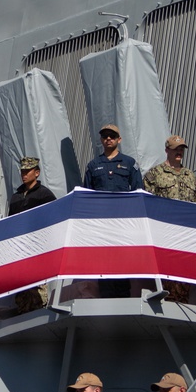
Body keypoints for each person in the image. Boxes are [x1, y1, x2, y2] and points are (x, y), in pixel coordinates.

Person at [83, 124, 141, 297]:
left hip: (122, 223)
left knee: (123, 260)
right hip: (102, 224)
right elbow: (87, 195)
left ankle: (124, 297)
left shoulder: (129, 163)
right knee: (104, 261)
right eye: (105, 136)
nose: (108, 139)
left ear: (119, 139)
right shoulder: (93, 165)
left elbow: (138, 192)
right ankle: (106, 297)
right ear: (101, 140)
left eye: (112, 136)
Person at [143, 136, 196, 302]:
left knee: (185, 273)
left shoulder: (190, 175)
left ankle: (182, 305)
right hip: (164, 233)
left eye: (181, 149)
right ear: (167, 150)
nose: (179, 152)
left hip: (186, 234)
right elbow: (147, 203)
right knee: (167, 273)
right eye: (176, 148)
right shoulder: (154, 174)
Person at [7, 157, 56, 311]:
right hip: (19, 250)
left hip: (37, 249)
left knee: (37, 288)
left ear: (37, 173)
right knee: (21, 289)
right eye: (22, 171)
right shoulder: (16, 197)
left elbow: (53, 221)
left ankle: (39, 312)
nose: (24, 174)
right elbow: (10, 223)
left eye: (27, 171)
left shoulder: (44, 195)